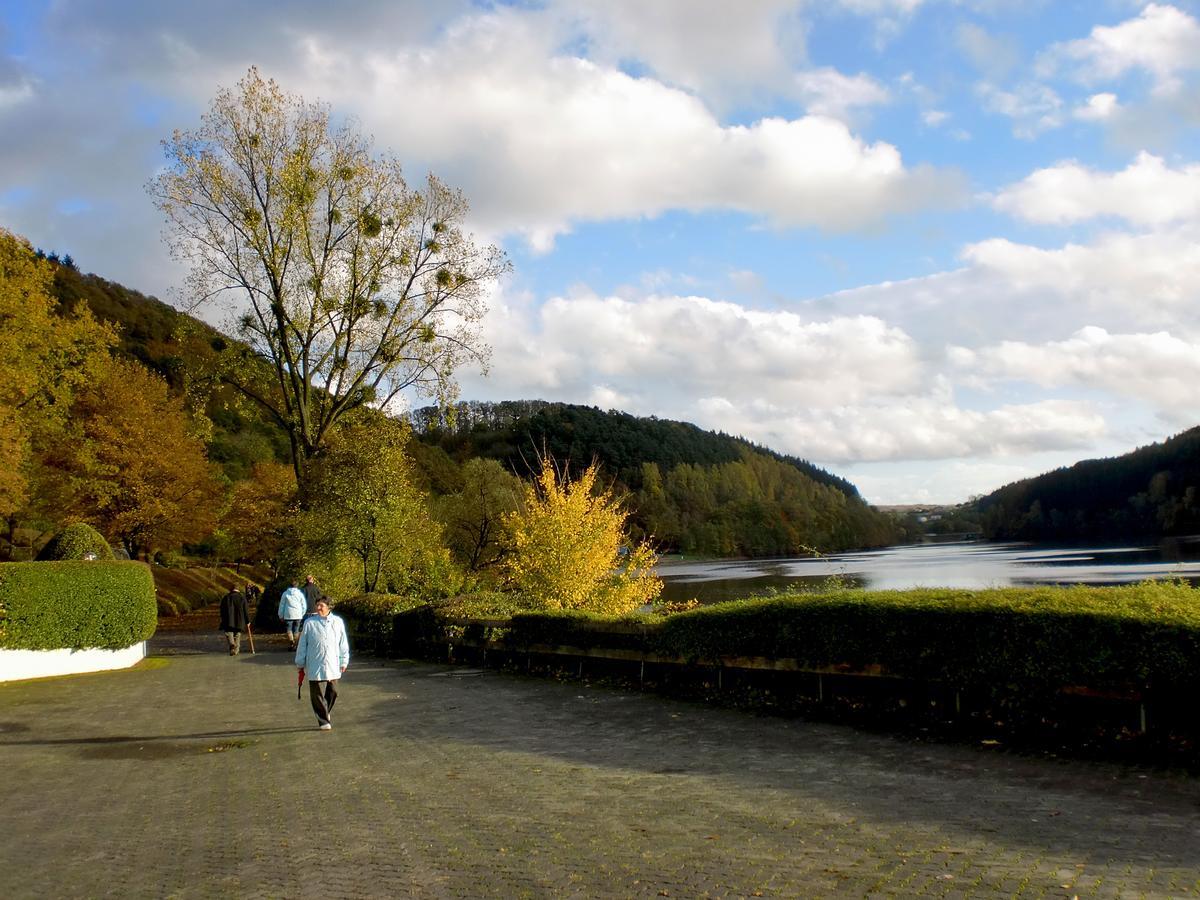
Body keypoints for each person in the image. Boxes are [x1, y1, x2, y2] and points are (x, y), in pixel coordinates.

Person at [295, 597, 349, 731]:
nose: (318, 608)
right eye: (317, 605)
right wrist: (300, 662)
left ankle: (325, 711)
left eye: (321, 606)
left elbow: (343, 643)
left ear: (329, 607)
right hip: (314, 661)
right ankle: (323, 720)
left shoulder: (338, 622)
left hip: (332, 661)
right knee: (316, 692)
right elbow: (302, 645)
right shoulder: (309, 623)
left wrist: (344, 660)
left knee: (334, 691)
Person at [218, 585, 250, 656]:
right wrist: (248, 621)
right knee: (238, 634)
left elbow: (222, 610)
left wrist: (222, 618)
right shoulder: (242, 597)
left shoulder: (226, 597)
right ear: (238, 589)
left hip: (228, 619)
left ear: (231, 589)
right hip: (240, 620)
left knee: (229, 633)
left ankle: (232, 644)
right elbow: (246, 610)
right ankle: (236, 649)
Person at [278, 580, 307, 650]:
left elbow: (282, 605)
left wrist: (280, 615)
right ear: (297, 586)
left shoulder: (285, 594)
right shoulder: (300, 594)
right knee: (296, 630)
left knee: (289, 629)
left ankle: (291, 643)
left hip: (288, 614)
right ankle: (296, 644)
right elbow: (304, 605)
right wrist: (302, 613)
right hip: (298, 614)